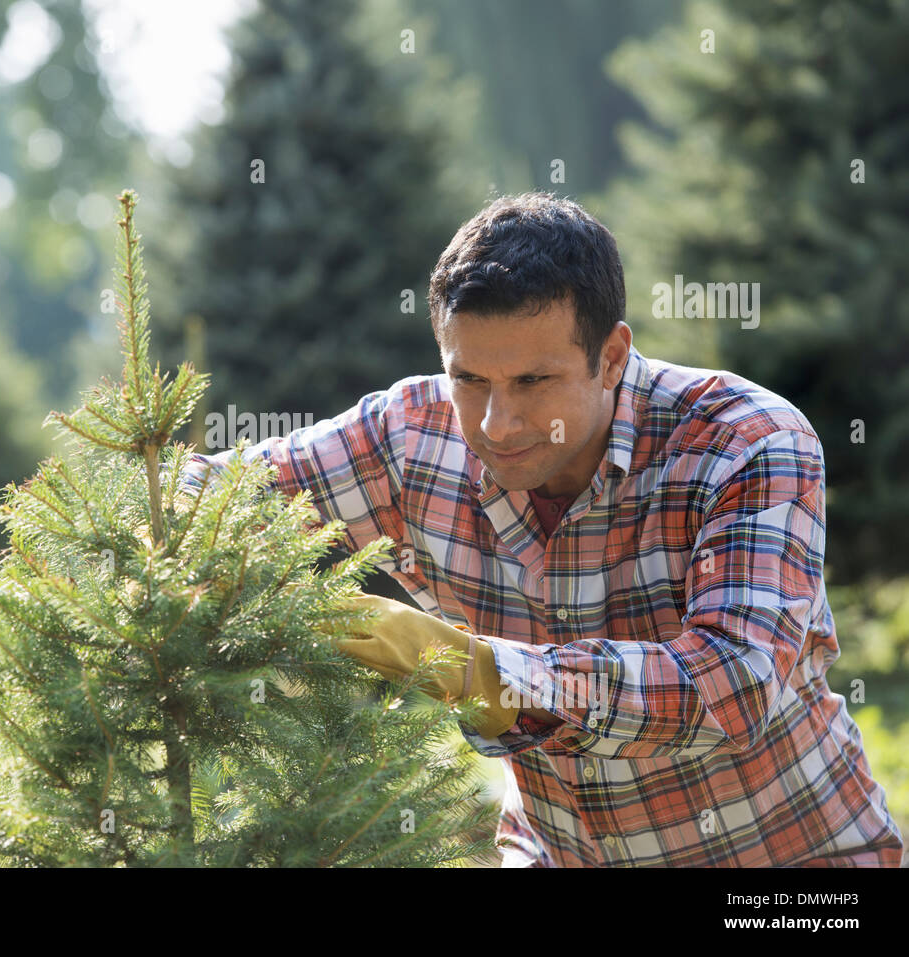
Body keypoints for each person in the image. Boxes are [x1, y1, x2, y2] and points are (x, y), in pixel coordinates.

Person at [179, 191, 904, 867]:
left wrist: (482, 672)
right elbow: (203, 492)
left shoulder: (746, 442)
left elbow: (732, 683)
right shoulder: (409, 437)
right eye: (470, 380)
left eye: (533, 382)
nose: (497, 424)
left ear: (611, 357)